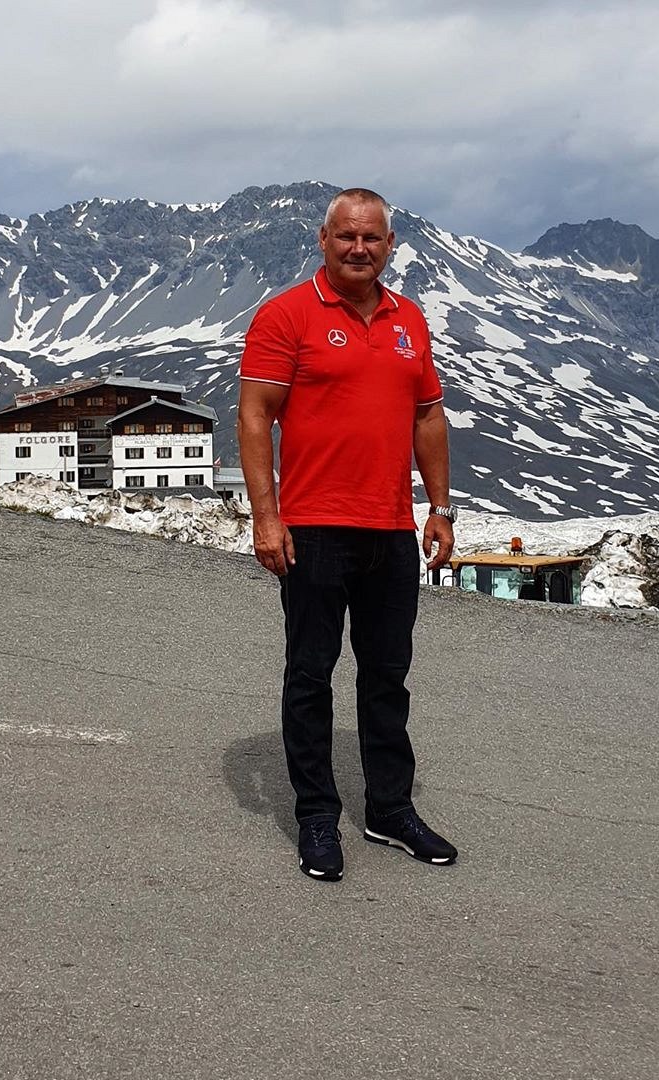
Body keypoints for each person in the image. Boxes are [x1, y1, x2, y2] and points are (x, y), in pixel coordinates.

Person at [237, 187, 459, 882]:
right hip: (313, 527)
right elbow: (254, 415)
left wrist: (440, 508)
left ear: (390, 245)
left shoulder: (408, 319)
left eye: (371, 238)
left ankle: (389, 809)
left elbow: (427, 415)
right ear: (323, 240)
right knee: (311, 674)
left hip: (390, 528)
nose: (358, 248)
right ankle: (316, 815)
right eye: (346, 236)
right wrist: (267, 516)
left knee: (388, 676)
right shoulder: (286, 314)